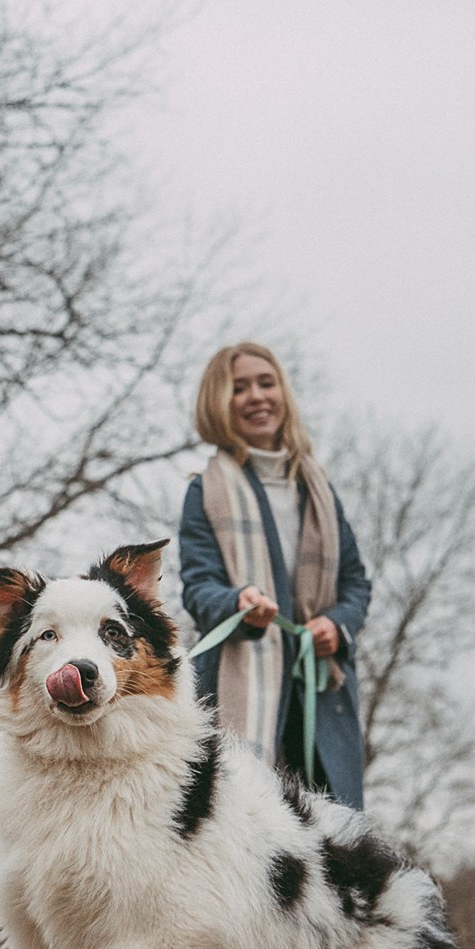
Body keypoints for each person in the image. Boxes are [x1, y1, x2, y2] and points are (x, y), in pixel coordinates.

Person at [178, 343, 372, 809]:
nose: (256, 396)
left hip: (320, 693)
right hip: (241, 685)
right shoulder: (204, 492)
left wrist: (337, 625)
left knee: (335, 838)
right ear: (218, 403)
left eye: (267, 383)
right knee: (244, 824)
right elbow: (199, 586)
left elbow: (355, 582)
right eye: (239, 388)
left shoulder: (318, 490)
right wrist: (238, 601)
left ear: (283, 393)